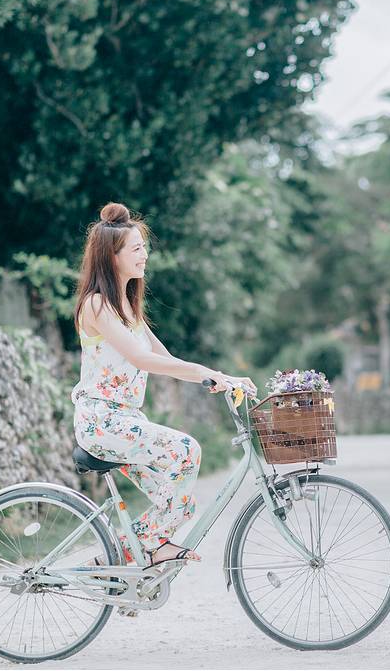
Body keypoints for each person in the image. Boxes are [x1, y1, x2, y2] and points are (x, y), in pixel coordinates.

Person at [71, 202, 256, 567]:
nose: (144, 255)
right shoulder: (97, 305)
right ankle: (138, 553)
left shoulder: (127, 307)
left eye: (144, 248)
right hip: (101, 423)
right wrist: (211, 374)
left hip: (126, 421)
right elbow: (142, 360)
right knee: (186, 450)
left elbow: (166, 361)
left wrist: (221, 376)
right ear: (113, 256)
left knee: (179, 503)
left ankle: (117, 563)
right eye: (136, 249)